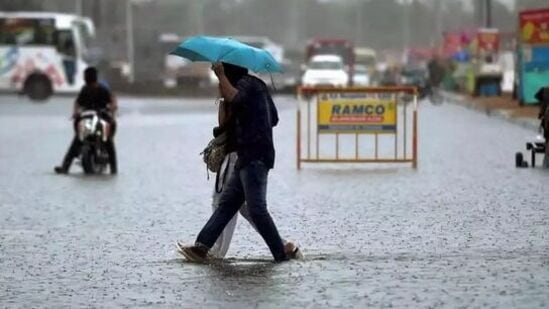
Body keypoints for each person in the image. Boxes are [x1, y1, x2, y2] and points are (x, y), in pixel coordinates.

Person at [179, 62, 290, 263]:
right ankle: (201, 248)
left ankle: (281, 253)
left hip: (255, 155)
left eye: (223, 74)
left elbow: (236, 98)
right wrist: (250, 114)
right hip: (247, 156)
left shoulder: (247, 85)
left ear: (229, 73)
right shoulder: (256, 87)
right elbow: (272, 118)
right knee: (227, 204)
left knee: (257, 209)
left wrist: (220, 76)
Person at [54, 67, 118, 174]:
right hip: (87, 119)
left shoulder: (102, 89)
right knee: (77, 140)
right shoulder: (85, 89)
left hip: (101, 118)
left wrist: (112, 108)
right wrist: (76, 112)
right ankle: (65, 167)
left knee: (108, 141)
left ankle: (114, 169)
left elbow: (113, 100)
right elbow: (77, 102)